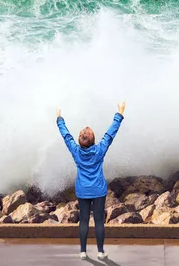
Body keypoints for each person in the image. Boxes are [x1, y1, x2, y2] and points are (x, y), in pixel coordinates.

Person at [56, 101, 125, 261]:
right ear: (93, 141)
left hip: (83, 190)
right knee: (99, 220)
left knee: (84, 221)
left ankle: (83, 251)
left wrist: (60, 120)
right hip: (98, 190)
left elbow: (66, 136)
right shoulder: (100, 150)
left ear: (80, 141)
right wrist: (119, 115)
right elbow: (110, 134)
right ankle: (100, 252)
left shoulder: (75, 150)